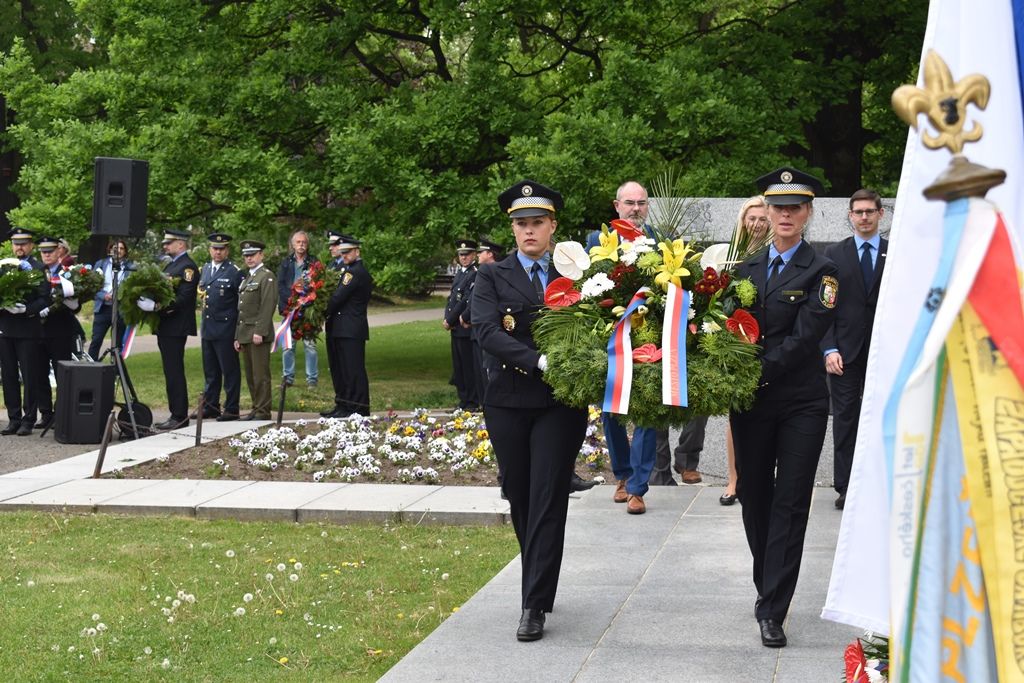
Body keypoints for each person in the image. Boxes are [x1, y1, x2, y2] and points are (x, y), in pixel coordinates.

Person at [472, 179, 589, 642]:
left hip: (561, 403)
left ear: (552, 225)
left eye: (537, 222)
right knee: (519, 493)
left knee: (547, 493)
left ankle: (533, 602)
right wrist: (537, 360)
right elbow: (486, 330)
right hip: (507, 400)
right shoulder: (491, 275)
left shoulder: (577, 274)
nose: (528, 231)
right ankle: (539, 576)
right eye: (521, 224)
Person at [730, 167, 838, 648]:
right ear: (767, 213)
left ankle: (773, 608)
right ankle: (767, 582)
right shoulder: (743, 271)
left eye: (796, 207)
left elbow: (806, 335)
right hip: (751, 403)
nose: (786, 214)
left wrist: (760, 369)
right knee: (754, 496)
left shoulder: (824, 271)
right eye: (778, 207)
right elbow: (724, 329)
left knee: (791, 502)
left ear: (808, 212)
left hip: (801, 403)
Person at [585, 181, 658, 513]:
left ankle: (639, 488)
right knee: (611, 412)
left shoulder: (660, 240)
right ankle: (623, 475)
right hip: (610, 336)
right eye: (630, 203)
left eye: (642, 203)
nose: (636, 209)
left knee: (646, 412)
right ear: (616, 206)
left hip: (649, 338)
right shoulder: (596, 242)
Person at [822, 189, 887, 510]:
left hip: (885, 353)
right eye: (858, 212)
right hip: (843, 355)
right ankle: (846, 486)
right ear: (850, 216)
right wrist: (828, 348)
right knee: (845, 419)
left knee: (882, 419)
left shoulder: (896, 253)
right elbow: (825, 307)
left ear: (880, 215)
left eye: (869, 212)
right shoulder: (834, 255)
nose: (863, 217)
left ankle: (881, 484)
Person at [720, 196, 770, 506]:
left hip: (768, 341)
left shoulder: (778, 253)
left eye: (762, 217)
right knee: (734, 415)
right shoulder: (730, 256)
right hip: (738, 341)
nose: (757, 223)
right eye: (751, 217)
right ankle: (734, 479)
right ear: (743, 220)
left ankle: (764, 474)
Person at [138, 230, 199, 430]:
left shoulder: (187, 267)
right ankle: (176, 413)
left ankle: (179, 415)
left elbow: (183, 299)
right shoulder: (172, 265)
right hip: (166, 326)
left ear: (181, 244)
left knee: (174, 371)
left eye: (169, 243)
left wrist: (156, 307)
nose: (165, 246)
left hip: (175, 326)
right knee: (170, 371)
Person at [0, 228, 50, 436]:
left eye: (23, 243)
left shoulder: (38, 268)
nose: (19, 247)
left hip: (27, 328)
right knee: (9, 375)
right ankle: (14, 418)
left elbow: (45, 298)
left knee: (30, 376)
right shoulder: (4, 266)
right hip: (5, 328)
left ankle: (29, 419)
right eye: (16, 243)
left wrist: (26, 310)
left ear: (31, 245)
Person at [35, 235, 82, 431]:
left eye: (51, 251)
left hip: (61, 329)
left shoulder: (67, 273)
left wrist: (71, 302)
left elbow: (76, 303)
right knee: (38, 374)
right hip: (37, 330)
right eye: (43, 252)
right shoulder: (35, 272)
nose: (47, 255)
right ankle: (45, 413)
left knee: (62, 372)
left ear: (58, 252)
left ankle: (61, 411)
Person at [196, 233, 244, 422]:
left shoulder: (234, 272)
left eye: (221, 249)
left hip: (226, 329)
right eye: (215, 248)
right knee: (211, 371)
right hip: (208, 328)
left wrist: (238, 334)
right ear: (210, 249)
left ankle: (232, 408)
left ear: (227, 250)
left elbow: (241, 304)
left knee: (229, 371)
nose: (218, 252)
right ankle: (211, 405)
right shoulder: (206, 269)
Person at [323, 235, 373, 417]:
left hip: (350, 328)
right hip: (341, 327)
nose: (344, 255)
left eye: (347, 252)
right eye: (342, 252)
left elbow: (337, 298)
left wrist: (317, 308)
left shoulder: (355, 272)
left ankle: (357, 406)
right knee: (341, 369)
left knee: (353, 370)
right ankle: (344, 404)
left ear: (357, 251)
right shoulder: (348, 270)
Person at [234, 240, 278, 420]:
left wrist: (260, 331)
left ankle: (263, 411)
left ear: (261, 255)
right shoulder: (248, 278)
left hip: (258, 334)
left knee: (261, 375)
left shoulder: (266, 276)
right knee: (252, 376)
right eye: (246, 255)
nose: (249, 258)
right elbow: (242, 310)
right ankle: (256, 407)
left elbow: (267, 306)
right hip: (245, 333)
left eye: (253, 254)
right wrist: (237, 336)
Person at [277, 229, 320, 387]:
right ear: (293, 244)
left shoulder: (314, 262)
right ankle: (287, 379)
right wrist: (292, 300)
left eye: (304, 242)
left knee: (310, 346)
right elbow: (280, 285)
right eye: (298, 242)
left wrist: (306, 301)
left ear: (307, 245)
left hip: (308, 310)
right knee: (288, 346)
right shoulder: (285, 263)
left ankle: (312, 381)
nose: (301, 245)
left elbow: (319, 285)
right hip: (290, 310)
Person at [444, 239, 479, 411]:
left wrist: (450, 319)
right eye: (461, 255)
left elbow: (465, 300)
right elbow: (451, 299)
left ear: (473, 255)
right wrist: (447, 317)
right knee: (458, 367)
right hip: (455, 328)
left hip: (464, 326)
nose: (463, 258)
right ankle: (463, 400)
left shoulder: (474, 273)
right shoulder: (460, 273)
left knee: (468, 366)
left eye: (466, 255)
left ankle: (472, 401)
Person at [88, 239, 132, 360]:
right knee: (96, 340)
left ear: (125, 252)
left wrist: (120, 295)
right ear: (110, 250)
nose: (118, 251)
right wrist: (103, 295)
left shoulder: (130, 267)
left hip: (120, 309)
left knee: (117, 343)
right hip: (103, 308)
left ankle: (116, 370)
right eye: (115, 248)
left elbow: (133, 288)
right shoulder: (101, 264)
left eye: (121, 248)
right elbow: (91, 286)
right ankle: (91, 367)